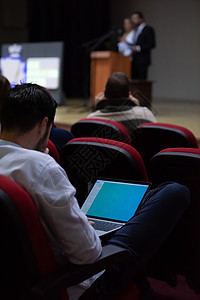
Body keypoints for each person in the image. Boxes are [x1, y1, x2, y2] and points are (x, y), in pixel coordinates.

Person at [0, 83, 190, 300]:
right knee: (174, 192)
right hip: (81, 283)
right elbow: (88, 254)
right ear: (44, 124)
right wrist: (87, 230)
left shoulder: (27, 165)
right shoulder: (41, 167)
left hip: (18, 279)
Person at [87, 72, 156, 141]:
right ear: (129, 95)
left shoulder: (91, 119)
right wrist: (137, 107)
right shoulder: (146, 115)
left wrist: (97, 107)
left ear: (104, 94)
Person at [130, 11, 156, 80]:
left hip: (143, 60)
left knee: (141, 80)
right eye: (133, 19)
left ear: (141, 19)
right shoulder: (136, 31)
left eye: (136, 18)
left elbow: (151, 44)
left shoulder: (148, 29)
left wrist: (138, 48)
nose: (134, 21)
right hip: (134, 60)